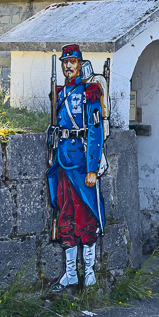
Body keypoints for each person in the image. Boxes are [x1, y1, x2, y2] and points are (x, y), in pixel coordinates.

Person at [47, 44, 105, 289]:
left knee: (86, 215)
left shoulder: (90, 93)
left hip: (81, 164)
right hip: (61, 162)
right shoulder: (59, 93)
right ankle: (70, 273)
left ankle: (89, 272)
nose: (68, 66)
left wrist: (92, 167)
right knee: (66, 216)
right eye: (65, 62)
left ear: (80, 64)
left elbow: (95, 131)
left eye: (73, 61)